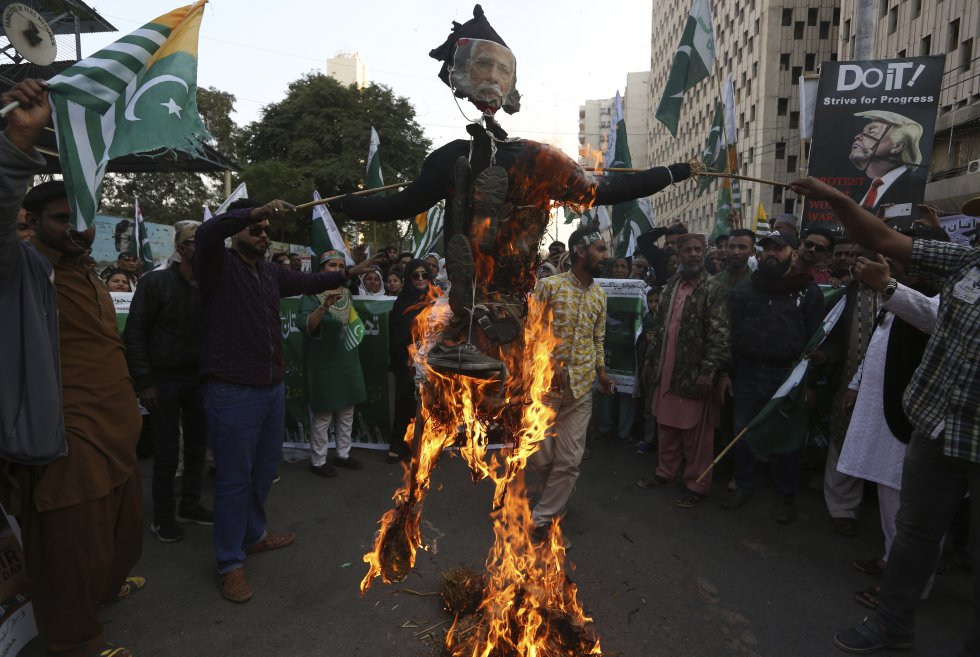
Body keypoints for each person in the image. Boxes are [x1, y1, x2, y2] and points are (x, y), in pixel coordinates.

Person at [789, 176, 980, 655]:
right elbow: (880, 239)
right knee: (913, 533)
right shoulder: (966, 263)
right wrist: (835, 199)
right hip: (933, 428)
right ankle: (892, 624)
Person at [3, 80, 143, 657]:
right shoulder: (21, 267)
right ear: (31, 221)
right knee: (68, 549)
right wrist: (18, 141)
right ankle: (76, 640)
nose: (80, 230)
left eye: (85, 218)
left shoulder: (82, 265)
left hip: (116, 432)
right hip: (67, 441)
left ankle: (97, 597)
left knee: (119, 539)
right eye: (63, 218)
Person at [194, 197, 377, 603]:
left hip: (271, 388)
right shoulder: (216, 264)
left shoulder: (270, 272)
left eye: (265, 230)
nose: (262, 235)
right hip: (232, 390)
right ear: (238, 228)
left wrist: (347, 272)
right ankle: (230, 563)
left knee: (262, 473)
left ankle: (254, 536)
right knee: (233, 480)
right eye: (255, 229)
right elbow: (208, 232)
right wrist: (254, 211)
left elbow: (312, 283)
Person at [721, 230, 825, 522]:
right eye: (766, 248)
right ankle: (743, 485)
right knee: (742, 434)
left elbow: (818, 341)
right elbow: (731, 336)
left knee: (787, 440)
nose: (771, 253)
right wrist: (727, 373)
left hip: (788, 377)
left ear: (792, 252)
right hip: (747, 374)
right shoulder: (744, 291)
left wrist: (813, 383)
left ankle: (786, 495)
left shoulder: (809, 292)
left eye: (778, 249)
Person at [123, 221, 212, 544]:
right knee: (166, 452)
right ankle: (162, 517)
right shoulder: (155, 283)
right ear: (181, 248)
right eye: (193, 242)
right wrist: (143, 381)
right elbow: (134, 335)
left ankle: (189, 504)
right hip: (162, 381)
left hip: (200, 380)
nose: (200, 249)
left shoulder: (211, 286)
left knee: (197, 446)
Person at [528, 227, 614, 542]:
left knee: (569, 459)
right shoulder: (548, 287)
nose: (606, 257)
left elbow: (598, 338)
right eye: (601, 250)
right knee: (540, 456)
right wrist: (549, 364)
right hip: (544, 388)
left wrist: (602, 372)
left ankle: (543, 517)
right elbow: (531, 334)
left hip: (580, 390)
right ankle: (560, 491)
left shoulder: (600, 295)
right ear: (581, 251)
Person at [638, 233, 730, 507]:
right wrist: (649, 361)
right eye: (687, 250)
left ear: (704, 252)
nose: (693, 254)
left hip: (694, 374)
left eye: (697, 250)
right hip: (666, 371)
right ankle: (666, 472)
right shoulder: (669, 288)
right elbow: (658, 330)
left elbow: (720, 336)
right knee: (667, 426)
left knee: (696, 436)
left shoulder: (714, 289)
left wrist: (708, 372)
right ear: (677, 254)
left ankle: (697, 484)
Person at [298, 251, 368, 478]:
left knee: (347, 411)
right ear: (321, 270)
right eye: (332, 266)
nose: (338, 269)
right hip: (323, 363)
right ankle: (318, 461)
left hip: (346, 359)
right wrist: (324, 307)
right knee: (324, 414)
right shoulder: (310, 294)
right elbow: (306, 325)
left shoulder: (347, 292)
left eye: (341, 265)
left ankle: (342, 455)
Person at [387, 259, 436, 463]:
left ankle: (427, 446)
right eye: (415, 275)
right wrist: (411, 351)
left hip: (432, 361)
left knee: (430, 404)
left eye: (424, 274)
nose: (420, 279)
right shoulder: (402, 302)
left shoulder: (437, 299)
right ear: (408, 278)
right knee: (406, 402)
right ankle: (399, 446)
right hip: (407, 361)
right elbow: (397, 333)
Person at [848, 111, 924, 211]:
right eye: (863, 131)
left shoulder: (917, 188)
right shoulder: (856, 194)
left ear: (897, 146)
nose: (858, 136)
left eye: (871, 131)